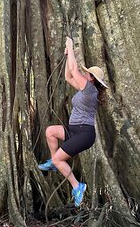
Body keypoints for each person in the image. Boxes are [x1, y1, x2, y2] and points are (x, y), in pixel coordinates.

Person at [38, 37, 108, 207]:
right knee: (50, 132)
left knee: (58, 160)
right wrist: (68, 54)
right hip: (74, 129)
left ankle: (77, 186)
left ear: (91, 78)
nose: (84, 74)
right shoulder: (85, 89)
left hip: (84, 133)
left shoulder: (90, 89)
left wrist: (70, 46)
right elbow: (69, 76)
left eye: (87, 74)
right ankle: (55, 162)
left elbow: (74, 70)